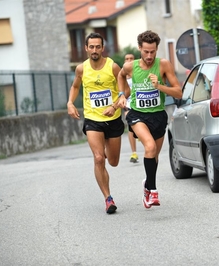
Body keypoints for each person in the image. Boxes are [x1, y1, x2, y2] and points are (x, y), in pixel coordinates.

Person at [117, 30, 182, 208]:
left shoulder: (163, 65)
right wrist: (122, 95)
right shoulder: (131, 66)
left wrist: (159, 86)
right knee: (150, 147)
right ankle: (152, 192)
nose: (149, 55)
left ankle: (147, 185)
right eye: (146, 51)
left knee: (153, 156)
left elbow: (178, 91)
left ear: (156, 49)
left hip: (158, 115)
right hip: (137, 114)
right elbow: (120, 76)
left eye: (152, 51)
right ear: (140, 48)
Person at [67, 32, 126, 214]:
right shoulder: (81, 69)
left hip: (113, 119)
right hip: (93, 119)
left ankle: (107, 151)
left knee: (113, 161)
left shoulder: (113, 67)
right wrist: (70, 103)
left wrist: (115, 106)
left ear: (102, 48)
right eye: (91, 47)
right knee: (99, 158)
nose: (94, 50)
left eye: (97, 46)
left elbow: (127, 91)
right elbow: (76, 86)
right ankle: (108, 198)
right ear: (86, 48)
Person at [123, 53, 139, 163]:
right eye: (127, 59)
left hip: (140, 105)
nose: (129, 60)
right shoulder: (121, 75)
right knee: (131, 127)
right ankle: (134, 153)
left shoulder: (139, 72)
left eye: (131, 59)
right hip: (128, 106)